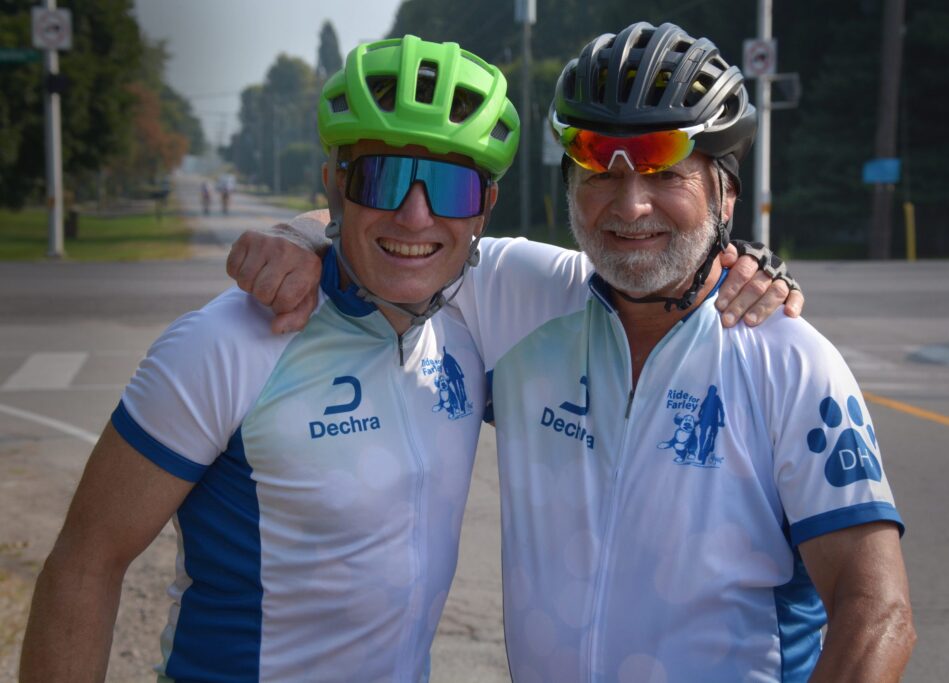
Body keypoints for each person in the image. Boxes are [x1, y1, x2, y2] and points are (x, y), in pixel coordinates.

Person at [19, 33, 793, 683]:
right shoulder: (225, 344)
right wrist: (297, 233)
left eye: (449, 186)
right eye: (382, 176)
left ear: (485, 209)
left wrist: (749, 266)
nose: (415, 215)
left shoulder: (486, 312)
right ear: (336, 183)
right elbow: (84, 564)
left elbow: (655, 266)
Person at [229, 23, 913, 682]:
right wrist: (298, 236)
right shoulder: (517, 294)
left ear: (725, 193)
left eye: (663, 172)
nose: (630, 205)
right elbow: (399, 232)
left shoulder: (790, 361)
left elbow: (877, 612)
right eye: (599, 172)